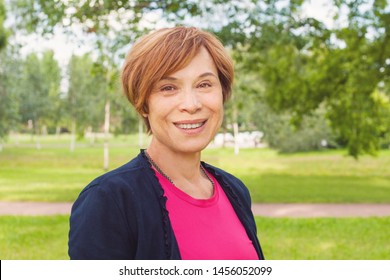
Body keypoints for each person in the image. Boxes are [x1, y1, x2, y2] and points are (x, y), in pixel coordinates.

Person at [68, 26, 265, 260]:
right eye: (168, 88)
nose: (191, 104)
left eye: (204, 84)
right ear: (142, 103)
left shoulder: (235, 190)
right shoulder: (109, 201)